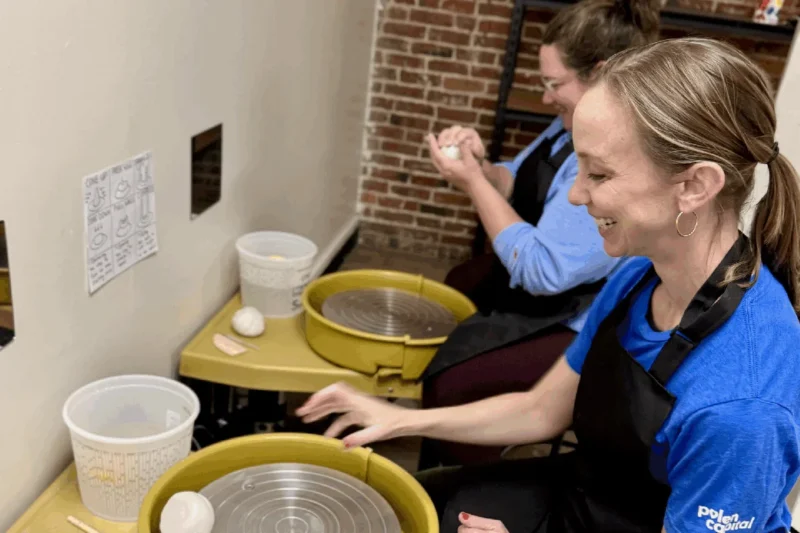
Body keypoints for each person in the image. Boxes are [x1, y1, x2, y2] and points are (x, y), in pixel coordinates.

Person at [298, 37, 800, 532]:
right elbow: (541, 410)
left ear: (693, 186)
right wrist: (397, 418)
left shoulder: (743, 408)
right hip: (594, 492)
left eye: (599, 175)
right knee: (417, 502)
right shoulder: (639, 273)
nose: (578, 194)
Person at [418, 0, 660, 467]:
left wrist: (471, 182)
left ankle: (455, 483)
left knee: (453, 382)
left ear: (601, 72)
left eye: (554, 84)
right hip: (551, 285)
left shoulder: (621, 150)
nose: (547, 97)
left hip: (582, 314)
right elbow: (520, 180)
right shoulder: (569, 122)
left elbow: (543, 271)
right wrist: (481, 168)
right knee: (457, 283)